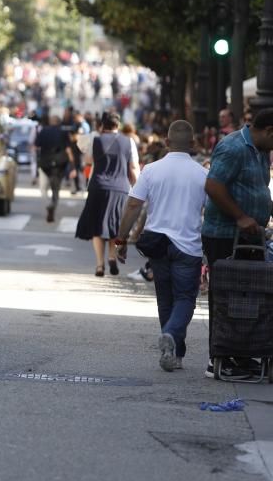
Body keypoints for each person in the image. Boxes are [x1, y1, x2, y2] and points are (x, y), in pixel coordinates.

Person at [115, 121, 206, 372]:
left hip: (158, 244)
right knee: (186, 298)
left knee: (165, 299)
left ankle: (173, 349)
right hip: (188, 246)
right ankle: (172, 338)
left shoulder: (151, 170)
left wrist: (121, 240)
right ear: (193, 144)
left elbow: (133, 205)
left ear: (166, 143)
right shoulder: (202, 174)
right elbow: (210, 212)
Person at [201, 107, 273, 379]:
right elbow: (213, 186)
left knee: (249, 296)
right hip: (225, 235)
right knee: (226, 296)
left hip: (249, 236)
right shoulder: (233, 147)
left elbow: (255, 190)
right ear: (269, 131)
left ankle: (240, 355)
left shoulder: (260, 151)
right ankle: (218, 356)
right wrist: (241, 216)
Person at [75, 112, 138, 277]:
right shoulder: (128, 142)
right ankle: (112, 256)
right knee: (114, 225)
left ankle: (99, 265)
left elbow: (87, 159)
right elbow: (133, 168)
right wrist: (137, 188)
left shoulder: (96, 140)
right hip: (120, 188)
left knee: (97, 226)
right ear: (118, 125)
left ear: (102, 125)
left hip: (98, 186)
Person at [35, 115, 74, 223]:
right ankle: (53, 202)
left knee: (46, 185)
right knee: (56, 187)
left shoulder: (43, 131)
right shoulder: (63, 132)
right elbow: (68, 149)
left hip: (45, 163)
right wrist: (72, 166)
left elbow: (36, 145)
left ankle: (50, 203)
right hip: (60, 162)